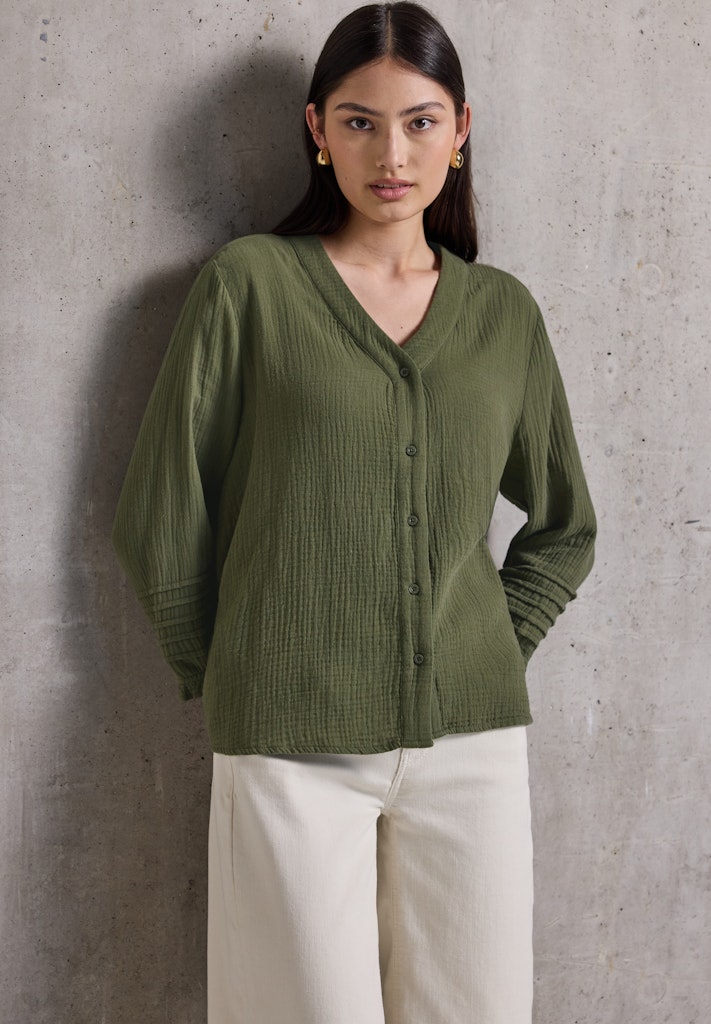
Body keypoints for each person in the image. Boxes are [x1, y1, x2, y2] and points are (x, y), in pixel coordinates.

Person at [112, 3, 596, 1022]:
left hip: (472, 747)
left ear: (460, 130)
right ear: (317, 130)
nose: (392, 154)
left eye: (420, 122)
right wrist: (235, 673)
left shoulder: (503, 314)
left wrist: (482, 645)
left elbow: (565, 525)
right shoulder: (249, 287)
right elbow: (161, 510)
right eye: (360, 122)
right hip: (290, 745)